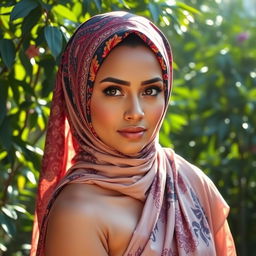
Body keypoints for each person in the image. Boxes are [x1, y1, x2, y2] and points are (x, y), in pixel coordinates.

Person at [30, 11, 236, 256]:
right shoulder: (78, 213)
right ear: (79, 98)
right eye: (114, 91)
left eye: (150, 91)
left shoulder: (189, 180)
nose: (135, 113)